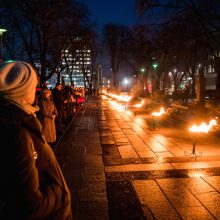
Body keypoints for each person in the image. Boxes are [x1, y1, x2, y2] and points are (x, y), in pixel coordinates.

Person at [0, 61, 72, 219]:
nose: (36, 90)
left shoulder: (16, 120)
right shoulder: (18, 133)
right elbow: (31, 204)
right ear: (23, 91)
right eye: (33, 86)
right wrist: (60, 193)